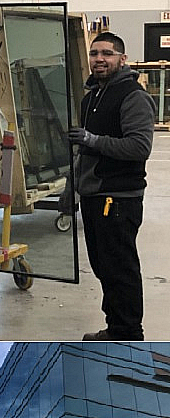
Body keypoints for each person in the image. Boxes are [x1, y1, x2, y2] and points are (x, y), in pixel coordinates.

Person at [68, 31, 155, 341]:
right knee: (104, 267)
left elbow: (138, 147)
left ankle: (129, 333)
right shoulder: (90, 98)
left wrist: (93, 141)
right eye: (94, 54)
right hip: (93, 195)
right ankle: (116, 327)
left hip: (117, 199)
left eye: (107, 53)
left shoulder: (133, 97)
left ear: (122, 59)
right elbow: (83, 151)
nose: (99, 59)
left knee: (120, 270)